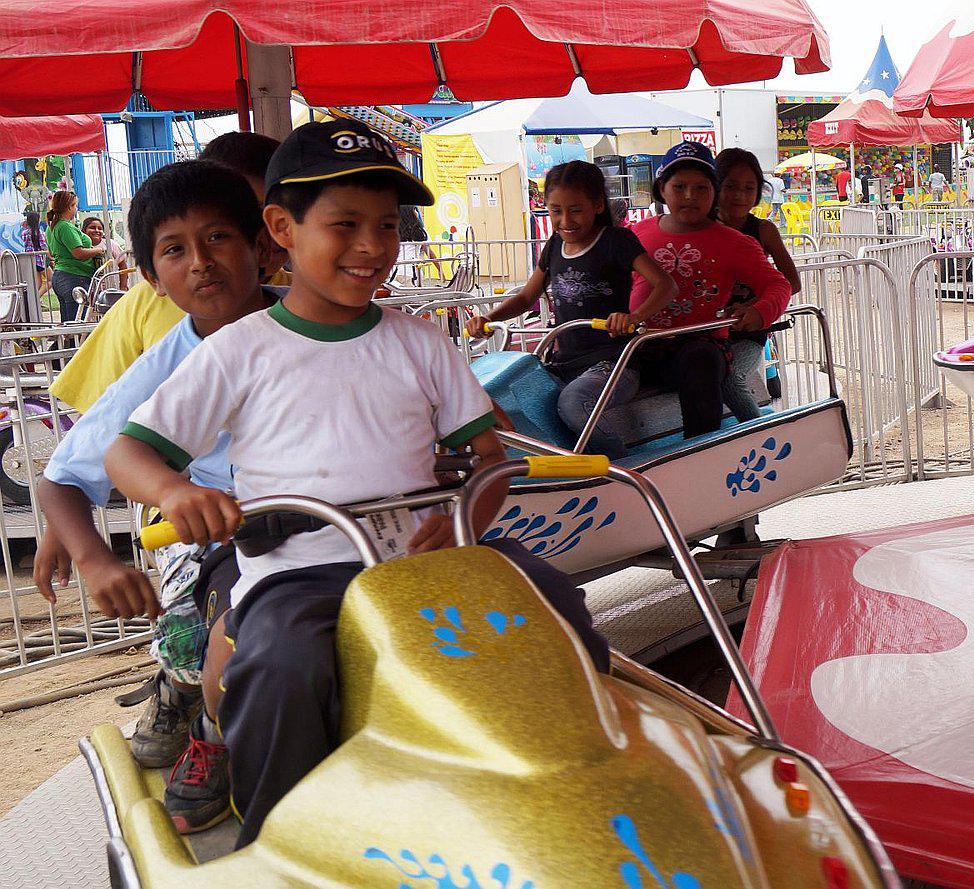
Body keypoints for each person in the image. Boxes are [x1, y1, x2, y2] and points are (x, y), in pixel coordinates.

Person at [103, 120, 607, 849]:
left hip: (424, 558)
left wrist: (463, 520)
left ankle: (580, 786)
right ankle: (283, 839)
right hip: (300, 570)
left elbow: (489, 457)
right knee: (282, 667)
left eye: (387, 226)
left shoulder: (421, 342)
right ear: (282, 229)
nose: (372, 246)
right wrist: (175, 492)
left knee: (557, 604)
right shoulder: (240, 349)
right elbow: (127, 452)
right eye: (345, 225)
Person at [34, 161, 280, 833]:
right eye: (175, 250)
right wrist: (95, 560)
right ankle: (209, 725)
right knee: (223, 634)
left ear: (263, 246)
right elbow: (61, 476)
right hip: (225, 531)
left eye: (218, 237)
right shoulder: (170, 364)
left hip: (340, 516)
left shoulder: (317, 321)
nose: (200, 262)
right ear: (150, 275)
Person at [49, 132, 285, 414]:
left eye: (287, 210)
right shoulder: (143, 305)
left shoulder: (308, 302)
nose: (275, 228)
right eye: (254, 213)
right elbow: (99, 421)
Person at [464, 161, 676, 459]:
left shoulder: (616, 241)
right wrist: (489, 318)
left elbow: (666, 285)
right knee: (509, 395)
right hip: (564, 362)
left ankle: (620, 467)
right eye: (556, 211)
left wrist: (634, 317)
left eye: (575, 210)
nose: (565, 221)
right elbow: (525, 297)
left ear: (598, 205)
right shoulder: (554, 246)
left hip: (614, 362)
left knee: (573, 403)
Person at [627, 142, 792, 438]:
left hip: (698, 344)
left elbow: (778, 283)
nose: (690, 196)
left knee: (702, 361)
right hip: (639, 343)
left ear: (714, 193)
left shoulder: (735, 242)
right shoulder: (637, 233)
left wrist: (759, 311)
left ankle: (704, 446)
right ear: (662, 189)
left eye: (701, 188)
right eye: (679, 187)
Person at [714, 148, 802, 421]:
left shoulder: (764, 230)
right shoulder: (701, 228)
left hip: (748, 331)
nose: (740, 195)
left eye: (748, 188)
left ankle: (759, 435)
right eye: (731, 186)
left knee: (732, 379)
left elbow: (792, 282)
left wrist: (753, 307)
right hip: (706, 328)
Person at [45, 191, 105, 323]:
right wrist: (97, 250)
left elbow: (51, 252)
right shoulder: (65, 227)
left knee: (68, 322)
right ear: (69, 207)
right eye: (75, 205)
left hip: (60, 276)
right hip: (74, 277)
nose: (76, 208)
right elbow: (78, 253)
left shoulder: (51, 227)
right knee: (78, 321)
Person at [19, 210, 48, 293]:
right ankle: (37, 297)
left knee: (38, 283)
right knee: (50, 280)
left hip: (30, 260)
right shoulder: (38, 232)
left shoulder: (24, 233)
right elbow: (43, 246)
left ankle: (35, 298)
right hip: (39, 260)